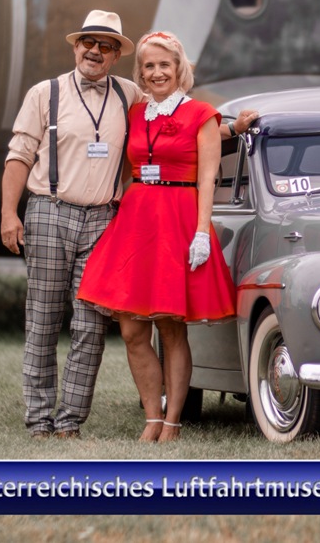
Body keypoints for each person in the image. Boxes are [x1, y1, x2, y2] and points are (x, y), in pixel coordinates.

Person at [77, 30, 237, 443]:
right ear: (141, 73)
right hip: (137, 219)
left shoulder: (202, 114)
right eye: (149, 66)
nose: (157, 72)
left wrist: (202, 232)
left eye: (165, 64)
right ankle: (152, 414)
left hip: (179, 219)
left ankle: (172, 422)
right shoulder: (134, 114)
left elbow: (207, 179)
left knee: (170, 328)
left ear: (179, 69)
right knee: (131, 330)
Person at [0, 9, 139, 439]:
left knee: (91, 324)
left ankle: (69, 421)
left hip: (103, 219)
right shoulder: (46, 93)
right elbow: (19, 155)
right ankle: (39, 419)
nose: (95, 51)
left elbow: (177, 118)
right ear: (76, 46)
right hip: (48, 209)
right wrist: (8, 213)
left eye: (106, 46)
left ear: (116, 55)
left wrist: (229, 127)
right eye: (88, 43)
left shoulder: (130, 95)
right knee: (42, 319)